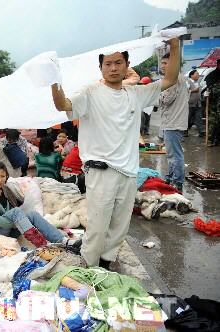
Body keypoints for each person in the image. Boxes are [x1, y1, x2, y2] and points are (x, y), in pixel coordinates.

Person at [51, 38, 181, 268]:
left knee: (120, 224)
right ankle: (88, 266)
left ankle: (106, 262)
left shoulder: (136, 94)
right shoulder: (90, 92)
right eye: (108, 64)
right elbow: (63, 104)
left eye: (118, 63)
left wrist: (175, 46)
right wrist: (53, 80)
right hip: (100, 170)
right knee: (98, 225)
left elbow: (170, 79)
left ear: (126, 64)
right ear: (100, 67)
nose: (113, 68)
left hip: (129, 171)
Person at [0, 161, 81, 250]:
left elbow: (14, 212)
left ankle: (62, 240)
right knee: (17, 212)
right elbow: (1, 222)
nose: (0, 180)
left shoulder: (6, 189)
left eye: (2, 176)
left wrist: (20, 220)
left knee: (32, 214)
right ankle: (42, 245)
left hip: (9, 230)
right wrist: (18, 220)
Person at [158, 52, 189, 192]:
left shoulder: (173, 79)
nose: (162, 66)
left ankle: (177, 182)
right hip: (172, 122)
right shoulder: (176, 78)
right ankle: (171, 177)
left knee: (175, 155)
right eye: (162, 63)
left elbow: (165, 99)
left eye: (165, 63)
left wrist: (155, 96)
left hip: (173, 122)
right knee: (172, 154)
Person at [205, 59, 220, 146]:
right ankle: (210, 140)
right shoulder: (212, 75)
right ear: (218, 65)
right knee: (213, 122)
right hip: (215, 106)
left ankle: (217, 139)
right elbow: (210, 89)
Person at [185, 70, 205, 137]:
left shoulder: (198, 82)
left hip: (198, 103)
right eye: (196, 73)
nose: (198, 75)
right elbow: (185, 91)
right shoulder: (188, 82)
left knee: (199, 118)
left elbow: (200, 91)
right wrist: (194, 90)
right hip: (190, 104)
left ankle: (201, 132)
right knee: (188, 118)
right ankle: (185, 131)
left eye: (198, 74)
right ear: (192, 75)